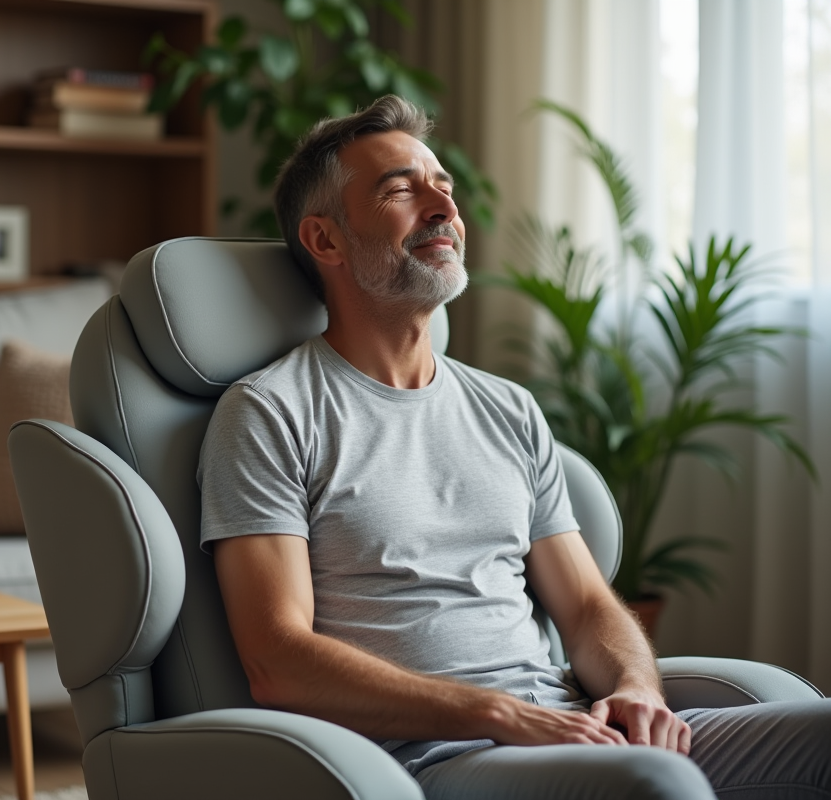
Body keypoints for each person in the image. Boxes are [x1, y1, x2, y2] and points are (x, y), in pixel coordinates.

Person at [197, 95, 830, 800]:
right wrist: (499, 714)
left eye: (444, 187)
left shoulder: (508, 409)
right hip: (433, 759)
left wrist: (637, 688)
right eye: (401, 190)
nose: (443, 207)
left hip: (575, 732)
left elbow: (589, 606)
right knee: (654, 782)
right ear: (326, 241)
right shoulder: (269, 413)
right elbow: (279, 660)